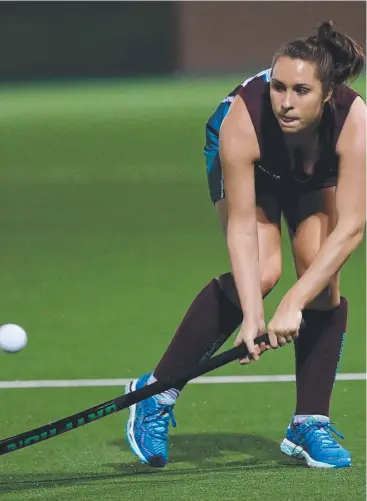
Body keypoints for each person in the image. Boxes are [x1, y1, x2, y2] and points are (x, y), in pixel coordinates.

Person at [124, 20, 366, 469]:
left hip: (312, 169)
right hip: (254, 167)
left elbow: (352, 226)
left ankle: (308, 422)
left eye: (300, 91)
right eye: (278, 87)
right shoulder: (246, 117)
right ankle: (155, 394)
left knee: (321, 282)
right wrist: (255, 313)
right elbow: (240, 226)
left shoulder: (353, 120)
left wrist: (294, 302)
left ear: (328, 93)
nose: (285, 103)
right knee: (262, 272)